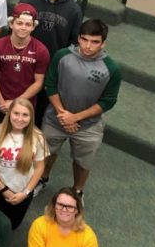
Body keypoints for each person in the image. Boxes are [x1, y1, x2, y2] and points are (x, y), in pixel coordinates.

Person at [39, 19, 121, 198]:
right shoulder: (62, 56)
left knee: (83, 162)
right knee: (46, 153)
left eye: (95, 42)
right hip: (55, 119)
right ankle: (42, 179)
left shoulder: (111, 68)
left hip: (88, 126)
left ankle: (77, 191)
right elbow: (50, 85)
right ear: (78, 38)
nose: (88, 46)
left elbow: (108, 101)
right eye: (84, 39)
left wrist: (75, 118)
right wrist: (63, 115)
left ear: (103, 43)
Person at [19, 0, 83, 128]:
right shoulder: (27, 1)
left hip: (51, 68)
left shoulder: (74, 9)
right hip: (23, 62)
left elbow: (74, 42)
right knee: (18, 104)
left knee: (40, 111)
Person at [0, 99, 48, 230]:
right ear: (9, 113)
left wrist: (25, 193)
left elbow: (39, 167)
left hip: (23, 193)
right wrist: (3, 190)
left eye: (25, 115)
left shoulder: (38, 137)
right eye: (16, 113)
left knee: (12, 225)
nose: (20, 119)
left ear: (31, 117)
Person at [0, 4, 50, 126]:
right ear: (11, 24)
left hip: (26, 105)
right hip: (0, 103)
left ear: (33, 27)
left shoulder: (41, 50)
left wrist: (16, 102)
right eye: (19, 23)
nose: (23, 28)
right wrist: (1, 102)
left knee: (22, 143)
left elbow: (38, 82)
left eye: (28, 24)